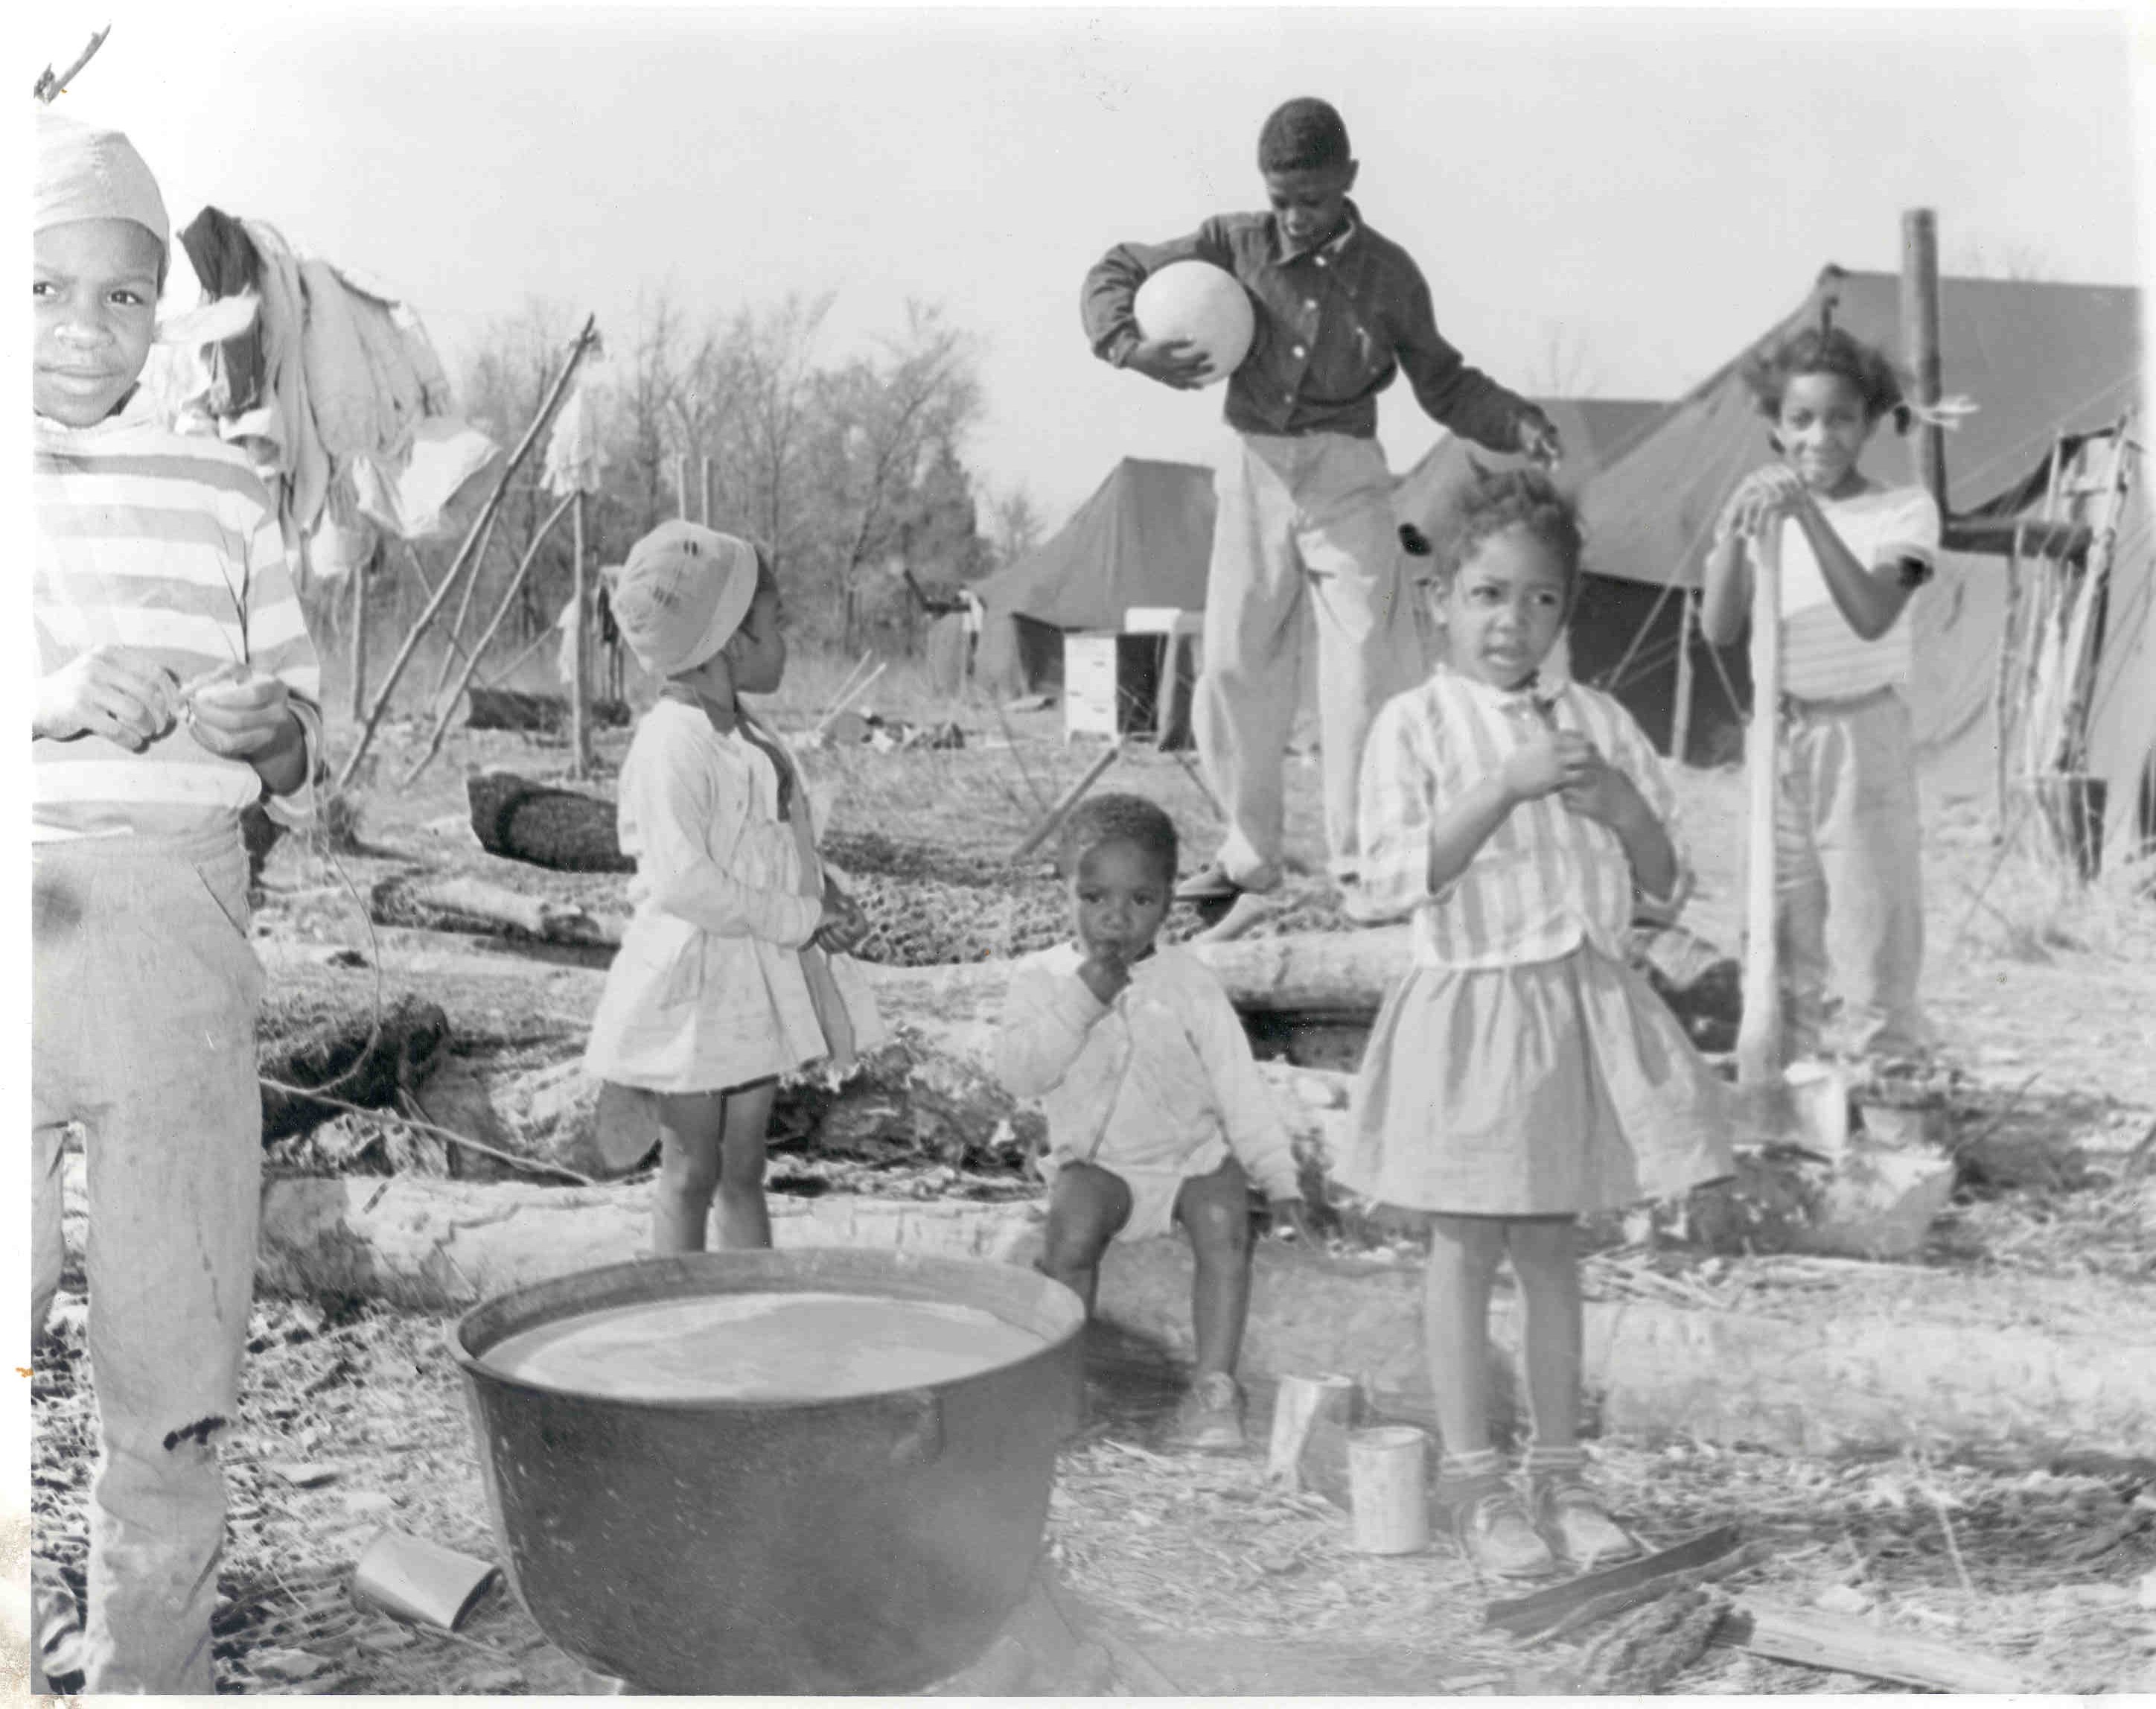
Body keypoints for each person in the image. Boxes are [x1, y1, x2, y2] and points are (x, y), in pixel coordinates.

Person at [31, 106, 325, 1692]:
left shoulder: (223, 484)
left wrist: (269, 733)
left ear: (166, 308)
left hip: (176, 937)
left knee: (170, 1358)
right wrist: (54, 689)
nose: (87, 330)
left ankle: (151, 1670)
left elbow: (296, 726)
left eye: (124, 296)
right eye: (46, 290)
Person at [1343, 469, 1731, 1579]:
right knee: (1463, 1243)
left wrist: (1619, 807)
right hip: (1472, 1007)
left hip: (1573, 1009)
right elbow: (1389, 873)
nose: (1514, 622)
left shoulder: (1599, 722)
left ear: (1568, 606)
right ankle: (1476, 1480)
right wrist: (1504, 786)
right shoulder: (1413, 724)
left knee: (1553, 1246)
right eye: (1488, 595)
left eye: (1542, 600)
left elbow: (1669, 882)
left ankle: (1559, 1472)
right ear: (1440, 600)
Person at [1080, 96, 1560, 906]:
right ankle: (1246, 856)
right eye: (1281, 200)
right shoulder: (1230, 242)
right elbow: (1114, 270)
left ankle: (1366, 857)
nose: (1296, 217)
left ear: (1349, 180)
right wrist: (1132, 348)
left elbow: (1443, 382)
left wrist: (1516, 421)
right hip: (1254, 467)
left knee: (1368, 662)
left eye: (1312, 198)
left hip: (1346, 474)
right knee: (1235, 661)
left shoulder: (1391, 275)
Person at [584, 522, 881, 1253]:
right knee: (690, 1168)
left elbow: (779, 842)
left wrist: (827, 900)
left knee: (745, 1170)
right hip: (695, 990)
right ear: (729, 642)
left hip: (753, 983)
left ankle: (750, 1310)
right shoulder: (672, 743)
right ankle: (676, 1317)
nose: (785, 641)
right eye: (775, 624)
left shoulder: (748, 735)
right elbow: (685, 882)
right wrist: (799, 918)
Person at [995, 794, 1311, 1451]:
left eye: (1140, 901)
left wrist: (1280, 1182)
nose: (1115, 918)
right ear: (1067, 892)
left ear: (1169, 902)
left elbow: (1238, 1088)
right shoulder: (1042, 978)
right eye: (1095, 898)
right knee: (1073, 1222)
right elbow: (1021, 1073)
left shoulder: (1189, 982)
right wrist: (1083, 999)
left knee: (1225, 1215)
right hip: (1100, 1164)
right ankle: (1058, 1388)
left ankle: (1212, 1391)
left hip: (1186, 1160)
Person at [1700, 316, 1940, 1066]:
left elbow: (1871, 615)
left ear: (1869, 422)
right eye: (1800, 420)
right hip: (1778, 738)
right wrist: (1737, 534)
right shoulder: (1761, 512)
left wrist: (1805, 517)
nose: (1820, 439)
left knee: (1872, 931)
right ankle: (1791, 1093)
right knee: (1779, 928)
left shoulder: (1904, 512)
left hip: (1861, 735)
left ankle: (1890, 1089)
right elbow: (1719, 629)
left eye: (1841, 419)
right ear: (1774, 426)